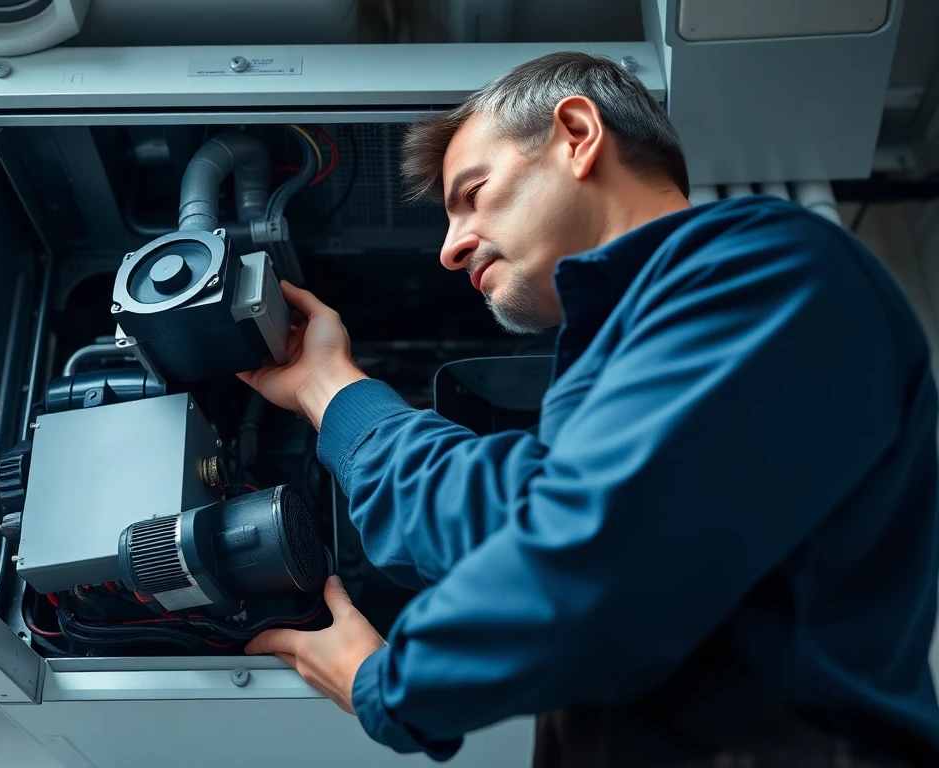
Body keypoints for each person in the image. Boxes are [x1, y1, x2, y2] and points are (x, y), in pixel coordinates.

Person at [238, 52, 939, 767]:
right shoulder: (638, 352)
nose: (449, 250)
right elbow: (521, 518)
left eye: (472, 193)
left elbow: (579, 553)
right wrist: (330, 391)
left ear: (577, 133)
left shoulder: (770, 265)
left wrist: (388, 684)